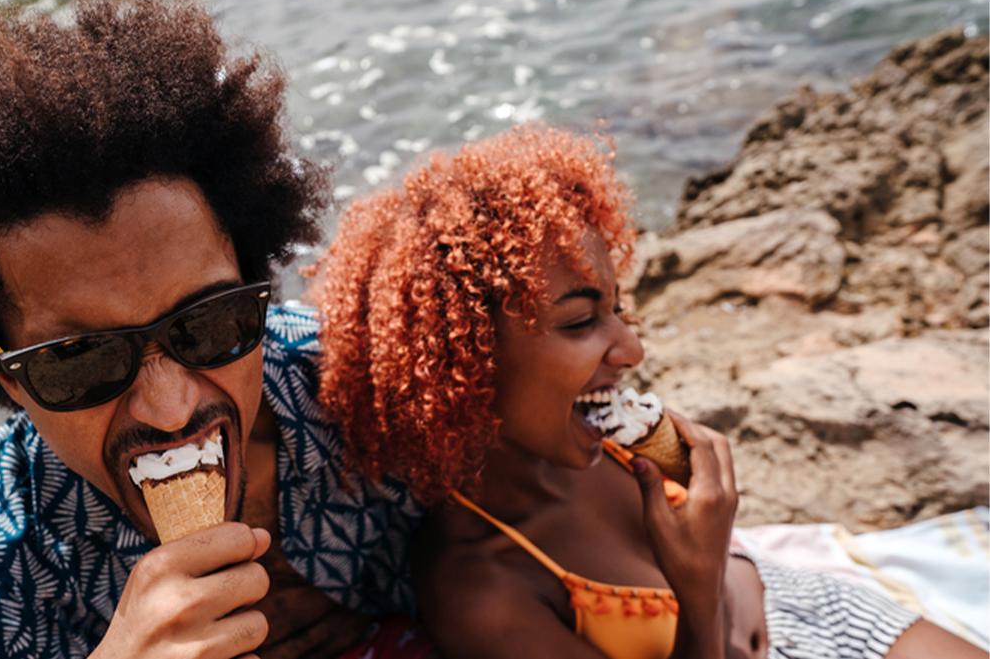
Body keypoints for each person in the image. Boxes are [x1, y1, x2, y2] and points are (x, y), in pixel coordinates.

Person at [0, 0, 425, 659]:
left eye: (208, 321)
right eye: (80, 359)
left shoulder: (381, 384)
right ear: (10, 382)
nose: (171, 410)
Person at [312, 125, 983, 659]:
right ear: (468, 364)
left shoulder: (595, 440)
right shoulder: (481, 587)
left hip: (811, 606)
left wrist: (729, 548)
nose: (631, 350)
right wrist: (697, 591)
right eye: (580, 321)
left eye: (617, 307)